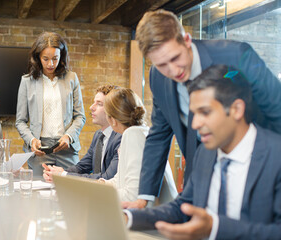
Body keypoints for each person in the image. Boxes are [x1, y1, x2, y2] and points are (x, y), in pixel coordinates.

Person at [124, 9, 281, 209]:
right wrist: (143, 198)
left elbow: (277, 109)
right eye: (162, 64)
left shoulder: (235, 56)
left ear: (186, 40)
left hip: (257, 169)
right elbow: (159, 135)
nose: (173, 71)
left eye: (175, 58)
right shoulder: (158, 77)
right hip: (201, 174)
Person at [125, 65, 281, 239]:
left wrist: (215, 227)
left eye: (205, 112)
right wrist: (129, 217)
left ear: (237, 109)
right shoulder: (205, 154)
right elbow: (183, 207)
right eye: (193, 114)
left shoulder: (275, 156)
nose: (195, 124)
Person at [16, 32, 86, 175]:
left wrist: (69, 136)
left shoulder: (71, 78)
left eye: (55, 58)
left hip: (67, 148)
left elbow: (80, 116)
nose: (50, 64)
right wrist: (31, 140)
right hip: (40, 149)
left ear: (61, 56)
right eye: (45, 59)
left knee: (69, 192)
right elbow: (20, 121)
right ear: (38, 57)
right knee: (38, 193)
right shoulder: (27, 81)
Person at [98, 88, 176, 202]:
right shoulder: (140, 132)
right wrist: (102, 184)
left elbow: (132, 196)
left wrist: (99, 194)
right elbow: (121, 179)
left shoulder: (132, 135)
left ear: (113, 120)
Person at [42, 85, 122, 181]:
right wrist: (57, 174)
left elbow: (107, 178)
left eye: (99, 104)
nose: (91, 107)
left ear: (113, 109)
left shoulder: (121, 138)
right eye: (94, 103)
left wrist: (64, 175)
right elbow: (82, 167)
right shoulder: (98, 135)